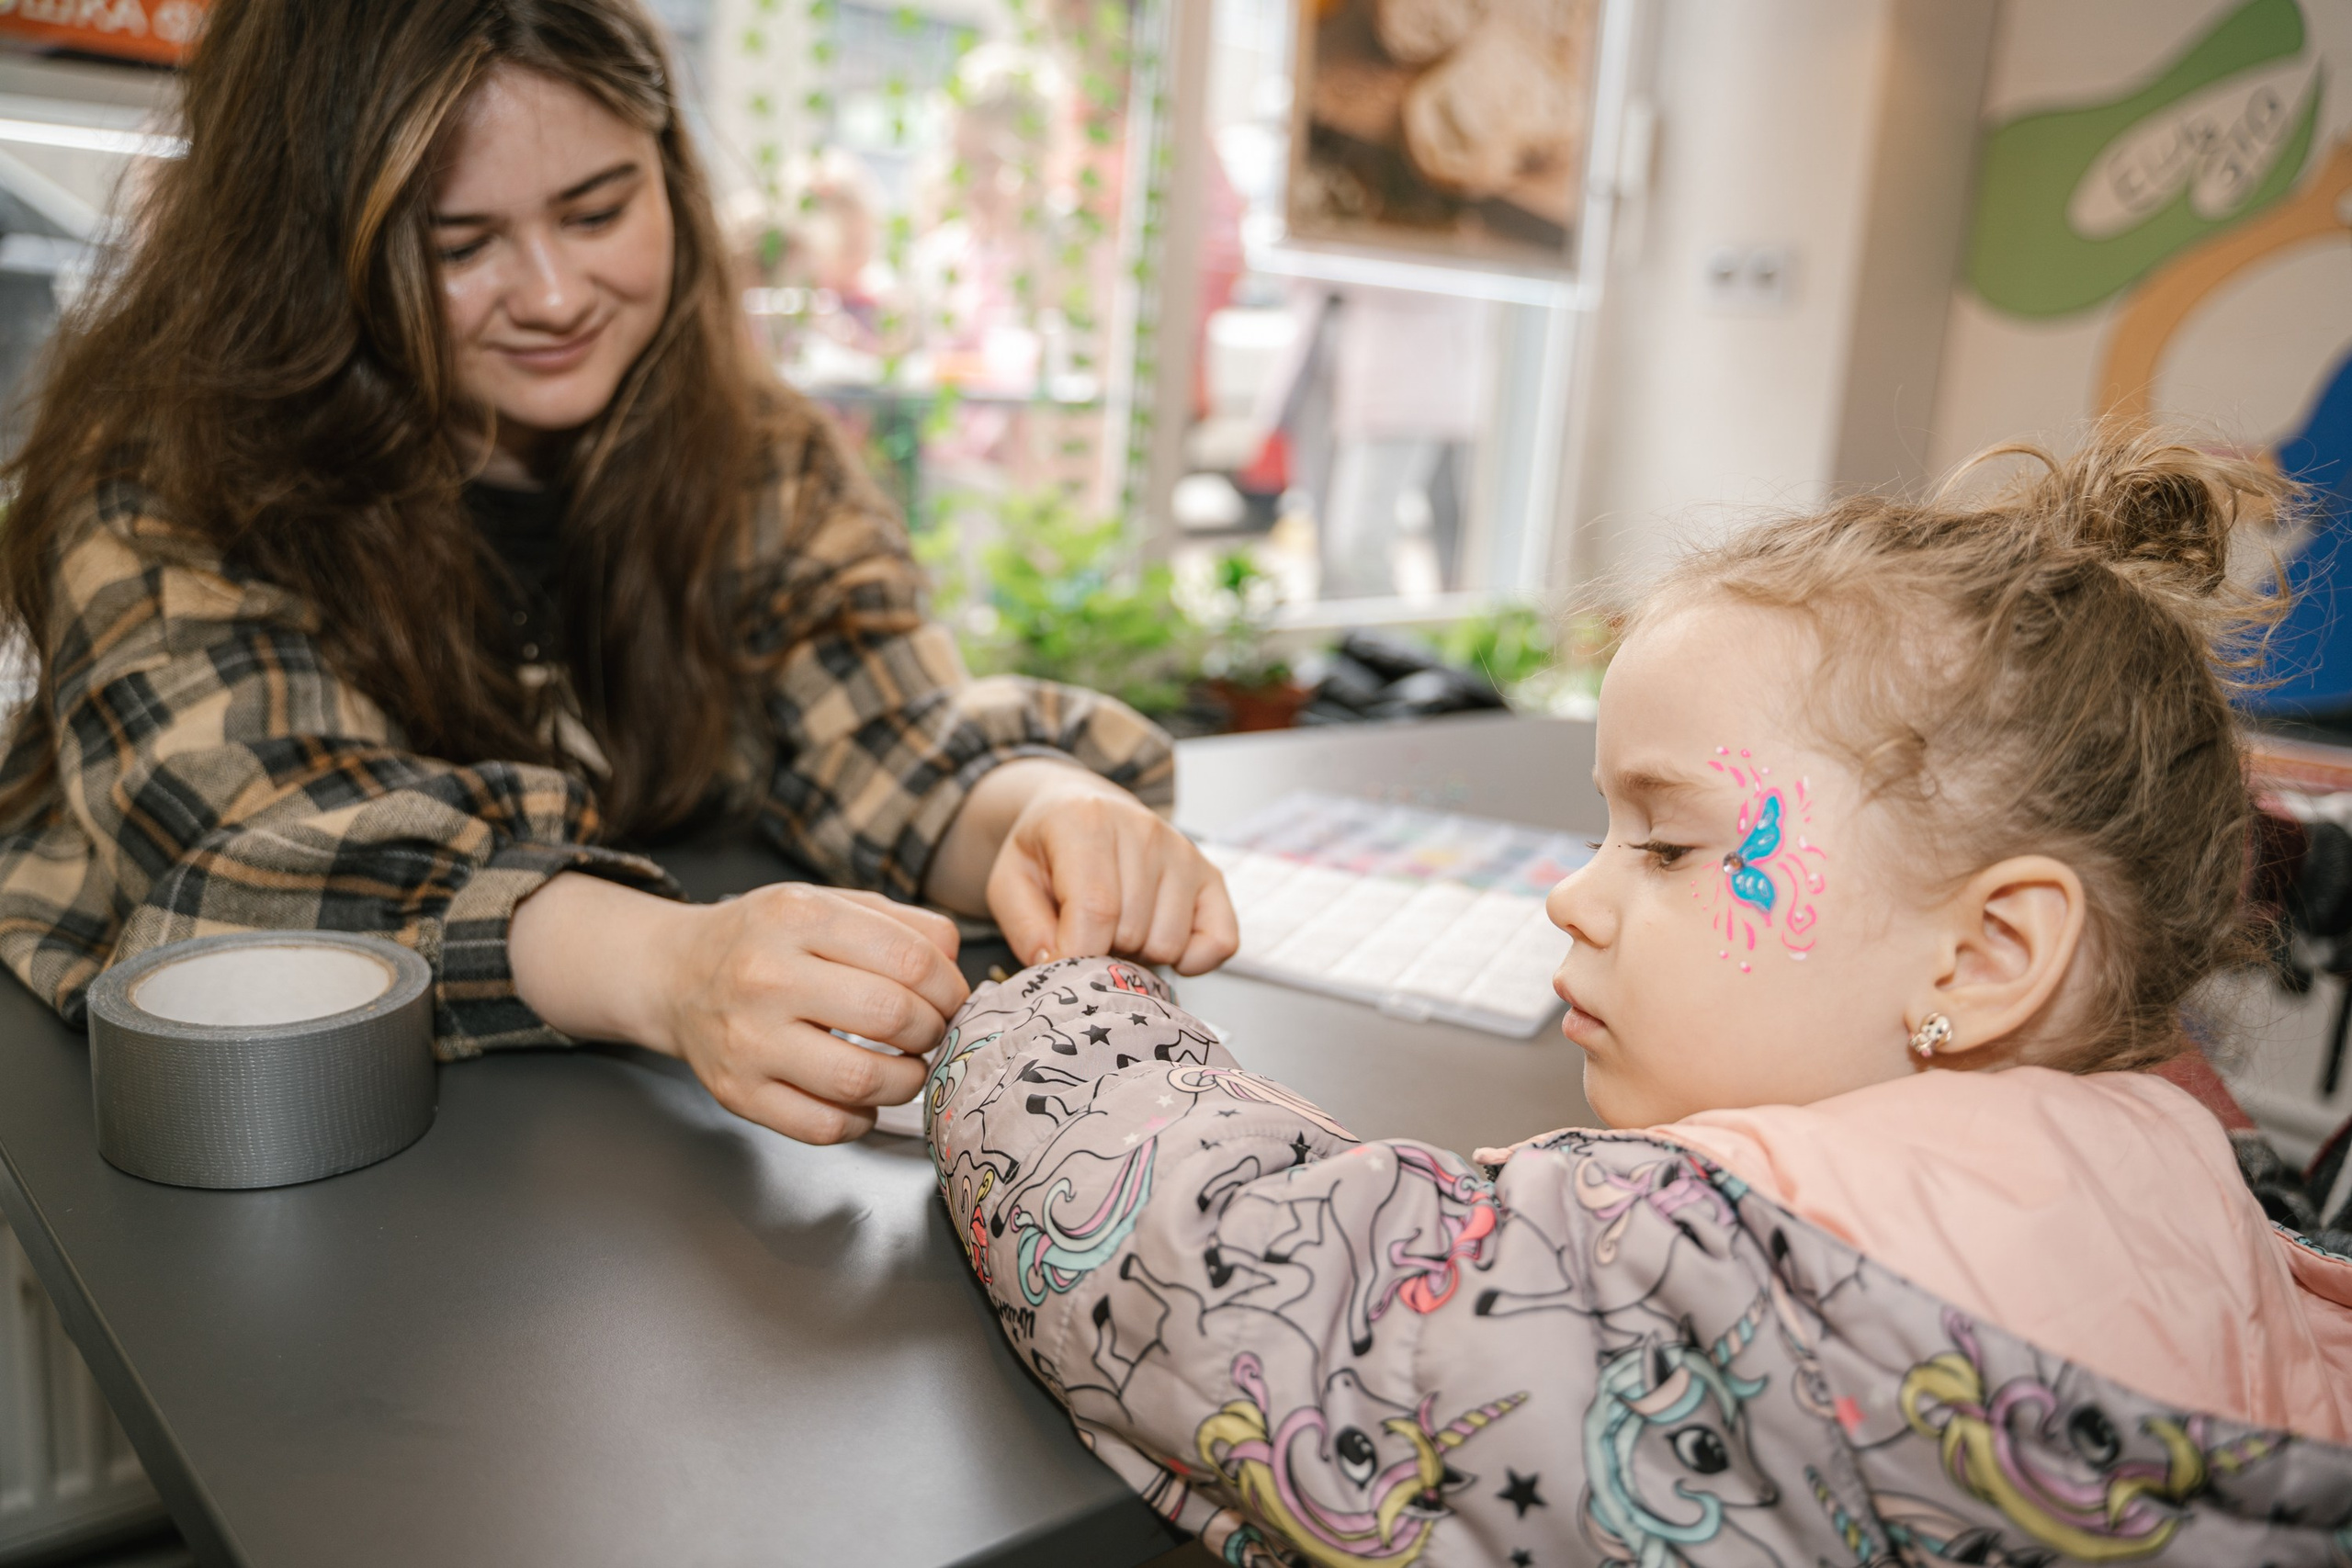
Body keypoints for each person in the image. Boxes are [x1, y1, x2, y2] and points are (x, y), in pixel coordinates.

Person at [929, 426, 2352, 1567]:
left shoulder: (1713, 1274)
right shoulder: (2229, 1217)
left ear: (1984, 958)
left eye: (1670, 844)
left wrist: (1056, 1009)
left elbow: (1220, 1278)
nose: (1576, 895)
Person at [0, 0, 1235, 1147]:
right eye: (460, 243)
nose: (551, 295)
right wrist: (668, 968)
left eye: (597, 212)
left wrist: (1041, 812)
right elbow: (265, 848)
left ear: (673, 176)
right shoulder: (168, 482)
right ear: (303, 251)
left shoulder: (757, 456)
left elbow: (880, 728)